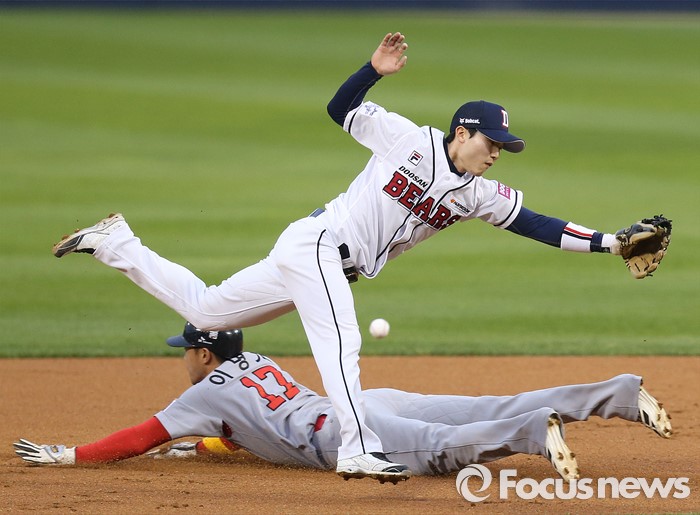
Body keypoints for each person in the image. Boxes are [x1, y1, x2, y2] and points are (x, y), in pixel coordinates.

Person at [51, 32, 636, 482]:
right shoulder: (407, 138)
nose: (498, 154)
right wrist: (372, 71)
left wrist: (611, 242)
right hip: (317, 247)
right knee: (341, 341)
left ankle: (115, 242)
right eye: (492, 142)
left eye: (504, 147)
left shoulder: (480, 193)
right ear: (462, 133)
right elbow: (341, 108)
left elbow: (539, 225)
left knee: (206, 312)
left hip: (319, 259)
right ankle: (357, 450)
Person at [15, 324, 672, 484]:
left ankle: (531, 432)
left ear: (204, 355)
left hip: (346, 432)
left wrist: (68, 454)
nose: (182, 357)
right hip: (361, 399)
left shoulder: (200, 393)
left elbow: (138, 438)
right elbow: (246, 429)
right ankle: (615, 393)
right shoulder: (255, 362)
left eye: (186, 349)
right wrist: (205, 447)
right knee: (485, 402)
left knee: (437, 451)